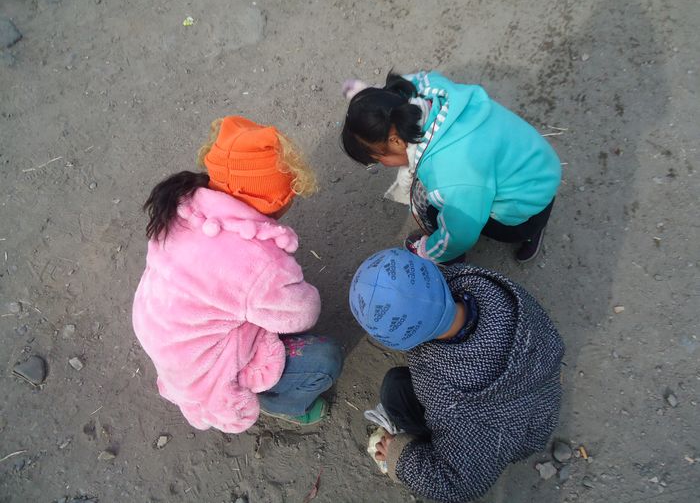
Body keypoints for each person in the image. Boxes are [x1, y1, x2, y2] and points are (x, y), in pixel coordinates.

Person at [132, 116, 343, 433]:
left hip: (171, 346)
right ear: (276, 200)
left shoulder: (183, 205)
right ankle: (283, 404)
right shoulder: (259, 262)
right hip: (209, 372)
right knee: (325, 359)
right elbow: (303, 312)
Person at [349, 248, 564, 502]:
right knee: (397, 384)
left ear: (399, 342)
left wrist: (401, 456)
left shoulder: (451, 401)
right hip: (538, 390)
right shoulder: (482, 285)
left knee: (394, 392)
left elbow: (461, 485)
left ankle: (425, 444)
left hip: (517, 435)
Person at [341, 71, 562, 263]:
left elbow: (460, 234)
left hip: (524, 208)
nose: (381, 163)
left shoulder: (451, 175)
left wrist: (427, 251)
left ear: (396, 142)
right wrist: (367, 101)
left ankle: (526, 234)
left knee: (430, 208)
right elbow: (400, 90)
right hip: (539, 164)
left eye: (377, 157)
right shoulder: (426, 90)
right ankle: (535, 223)